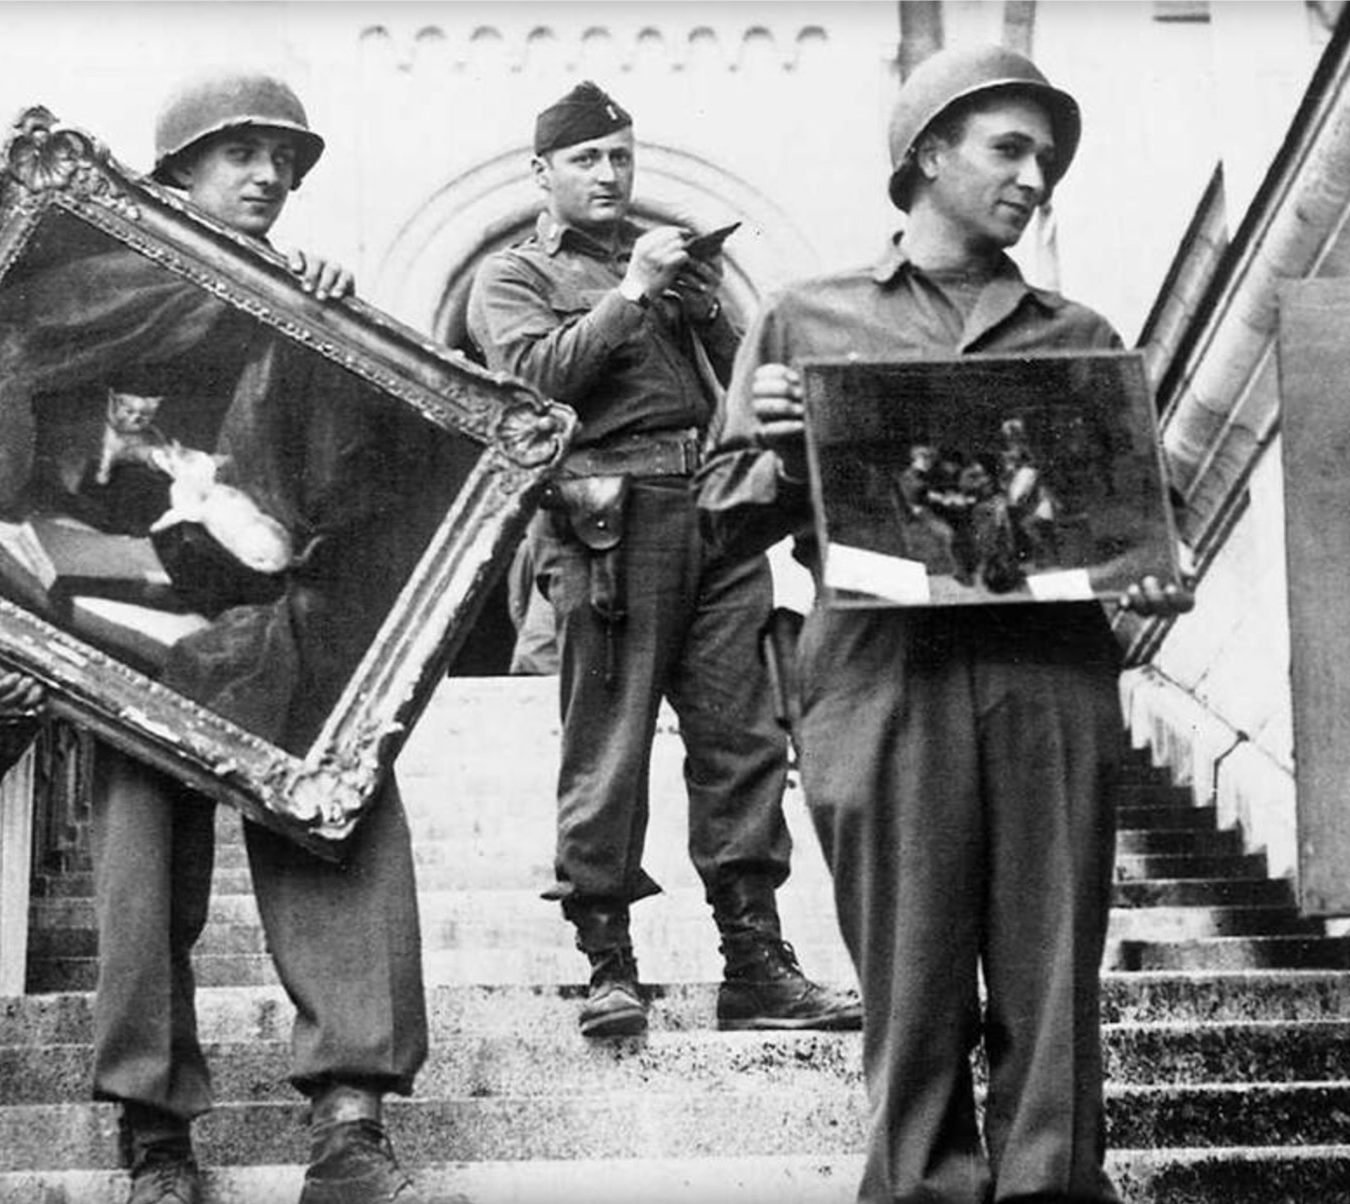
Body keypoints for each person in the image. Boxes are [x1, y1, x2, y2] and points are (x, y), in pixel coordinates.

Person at [0, 70, 442, 1204]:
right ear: (178, 170)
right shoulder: (81, 294)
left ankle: (351, 1119)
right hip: (117, 620)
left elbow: (353, 482)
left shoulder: (296, 301)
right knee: (140, 871)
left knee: (336, 817)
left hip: (268, 618)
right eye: (243, 153)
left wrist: (328, 333)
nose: (271, 178)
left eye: (285, 161)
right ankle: (154, 1135)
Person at [695, 45, 1192, 1204]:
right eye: (1009, 148)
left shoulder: (1079, 336)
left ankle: (1052, 1191)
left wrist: (1154, 576)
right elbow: (716, 525)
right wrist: (774, 454)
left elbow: (1140, 522)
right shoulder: (804, 319)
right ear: (926, 155)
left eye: (1049, 157)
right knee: (911, 980)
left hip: (1048, 676)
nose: (1037, 176)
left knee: (1051, 977)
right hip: (881, 675)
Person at [465, 80, 861, 1039]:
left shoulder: (671, 274)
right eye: (587, 160)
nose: (609, 175)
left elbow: (738, 388)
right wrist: (633, 294)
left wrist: (704, 306)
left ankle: (756, 965)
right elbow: (530, 387)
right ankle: (608, 963)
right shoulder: (511, 277)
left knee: (744, 740)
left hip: (716, 517)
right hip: (607, 520)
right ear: (542, 175)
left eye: (620, 157)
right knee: (608, 742)